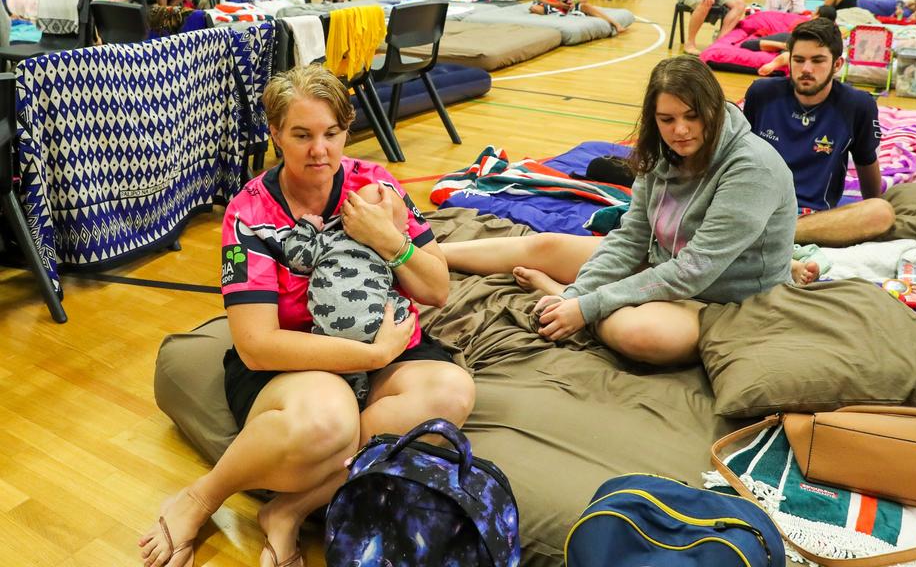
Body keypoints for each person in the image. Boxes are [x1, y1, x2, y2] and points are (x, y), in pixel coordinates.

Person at [138, 65, 474, 567]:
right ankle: (201, 497)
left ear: (347, 130)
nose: (320, 151)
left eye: (332, 134)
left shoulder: (377, 186)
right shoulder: (248, 212)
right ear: (275, 134)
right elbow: (257, 344)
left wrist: (390, 241)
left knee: (451, 393)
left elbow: (438, 288)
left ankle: (290, 510)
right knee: (327, 423)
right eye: (301, 135)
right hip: (297, 359)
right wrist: (372, 351)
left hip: (382, 347)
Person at [440, 57, 803, 365]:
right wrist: (575, 295)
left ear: (715, 108)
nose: (680, 130)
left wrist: (586, 306)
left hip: (730, 302)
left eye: (692, 116)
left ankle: (557, 293)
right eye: (667, 119)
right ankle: (426, 253)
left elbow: (694, 272)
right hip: (667, 266)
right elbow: (631, 238)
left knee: (639, 334)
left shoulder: (752, 169)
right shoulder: (663, 152)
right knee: (545, 245)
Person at [743, 17, 895, 248]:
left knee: (880, 212)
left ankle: (772, 236)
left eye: (817, 60)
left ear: (837, 64)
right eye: (799, 60)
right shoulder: (761, 93)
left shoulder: (857, 105)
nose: (806, 69)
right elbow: (738, 157)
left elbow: (867, 163)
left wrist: (869, 206)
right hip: (755, 209)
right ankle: (762, 236)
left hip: (812, 219)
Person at [284, 182, 414, 404]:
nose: (409, 228)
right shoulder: (388, 252)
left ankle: (352, 374)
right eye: (405, 224)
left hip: (326, 339)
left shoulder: (330, 241)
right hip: (375, 330)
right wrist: (401, 243)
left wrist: (307, 226)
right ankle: (362, 377)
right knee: (398, 304)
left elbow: (296, 257)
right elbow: (409, 274)